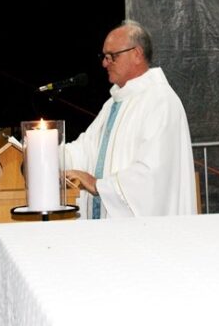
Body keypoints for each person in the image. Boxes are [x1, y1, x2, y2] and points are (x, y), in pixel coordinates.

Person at [63, 20, 196, 218]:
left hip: (146, 230)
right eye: (104, 56)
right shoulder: (113, 104)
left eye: (112, 56)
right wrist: (44, 154)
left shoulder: (161, 101)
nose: (105, 63)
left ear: (137, 54)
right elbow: (85, 150)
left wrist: (98, 185)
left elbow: (152, 176)